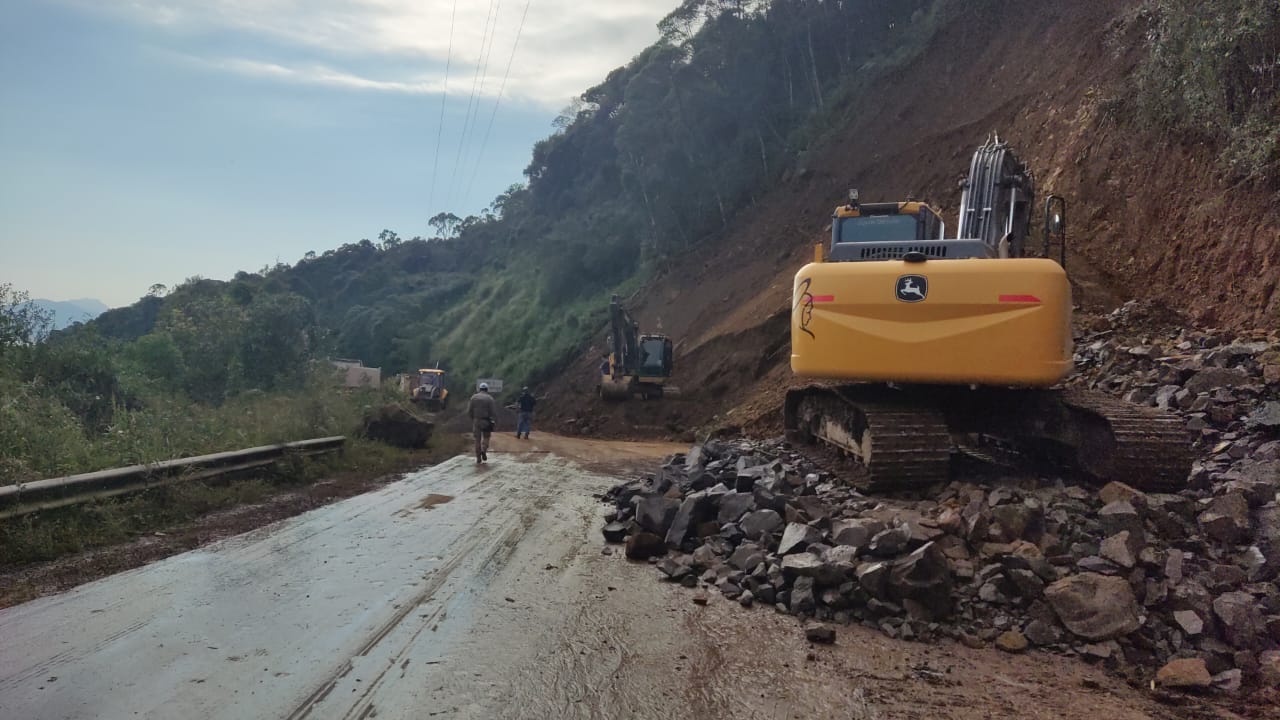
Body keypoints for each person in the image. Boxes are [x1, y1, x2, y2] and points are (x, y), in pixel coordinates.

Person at [468, 382, 497, 463]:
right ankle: (484, 450)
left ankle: (478, 458)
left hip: (476, 420)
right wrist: (494, 420)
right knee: (486, 437)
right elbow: (493, 412)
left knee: (477, 439)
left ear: (479, 389)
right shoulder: (489, 398)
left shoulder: (473, 397)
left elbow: (470, 410)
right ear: (487, 389)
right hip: (486, 420)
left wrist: (473, 418)